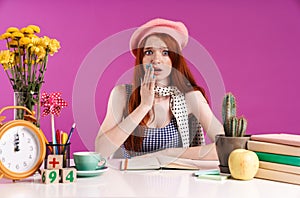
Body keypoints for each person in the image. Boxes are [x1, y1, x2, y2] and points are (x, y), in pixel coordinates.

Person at [95, 18, 224, 160]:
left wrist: (166, 154)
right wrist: (143, 107)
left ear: (174, 59)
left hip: (176, 180)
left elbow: (225, 147)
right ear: (141, 60)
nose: (156, 60)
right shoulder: (122, 94)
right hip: (128, 179)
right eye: (149, 52)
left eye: (165, 52)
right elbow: (101, 151)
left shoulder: (190, 97)